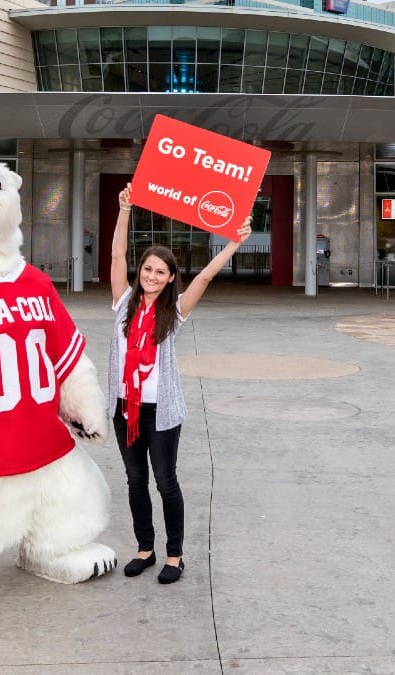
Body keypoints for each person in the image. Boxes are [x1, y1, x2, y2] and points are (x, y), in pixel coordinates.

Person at [108, 184, 252, 584]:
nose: (152, 276)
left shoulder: (175, 310)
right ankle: (145, 549)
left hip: (161, 411)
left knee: (165, 480)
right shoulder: (123, 303)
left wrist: (235, 242)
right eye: (147, 269)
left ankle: (174, 555)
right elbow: (117, 254)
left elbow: (205, 275)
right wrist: (125, 210)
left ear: (171, 277)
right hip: (125, 408)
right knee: (135, 481)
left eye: (160, 271)